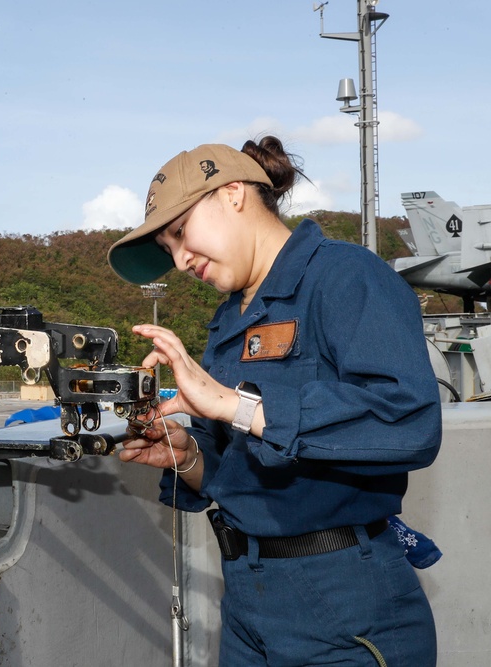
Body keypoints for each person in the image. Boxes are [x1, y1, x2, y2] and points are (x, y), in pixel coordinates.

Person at [107, 137, 441, 666]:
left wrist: (232, 404)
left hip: (345, 604)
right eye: (169, 251)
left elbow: (409, 423)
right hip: (247, 602)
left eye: (180, 234)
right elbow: (235, 468)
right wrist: (187, 456)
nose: (179, 258)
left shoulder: (345, 276)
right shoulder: (229, 322)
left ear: (233, 193)